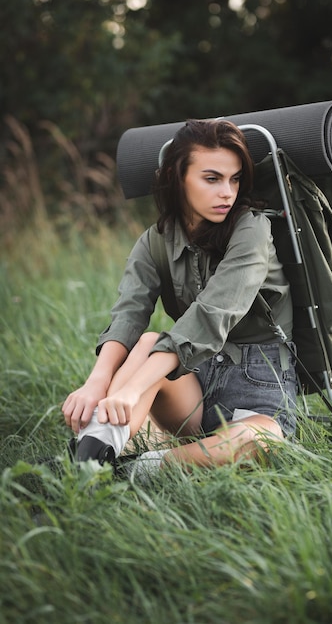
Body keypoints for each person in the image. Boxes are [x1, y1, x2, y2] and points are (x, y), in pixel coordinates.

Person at [62, 118, 297, 480]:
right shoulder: (156, 239)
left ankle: (137, 470)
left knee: (260, 441)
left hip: (258, 386)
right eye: (212, 178)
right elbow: (128, 313)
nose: (227, 193)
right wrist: (97, 381)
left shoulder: (252, 228)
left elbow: (210, 315)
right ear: (177, 176)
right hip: (194, 380)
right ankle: (87, 464)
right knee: (146, 341)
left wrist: (134, 387)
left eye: (234, 179)